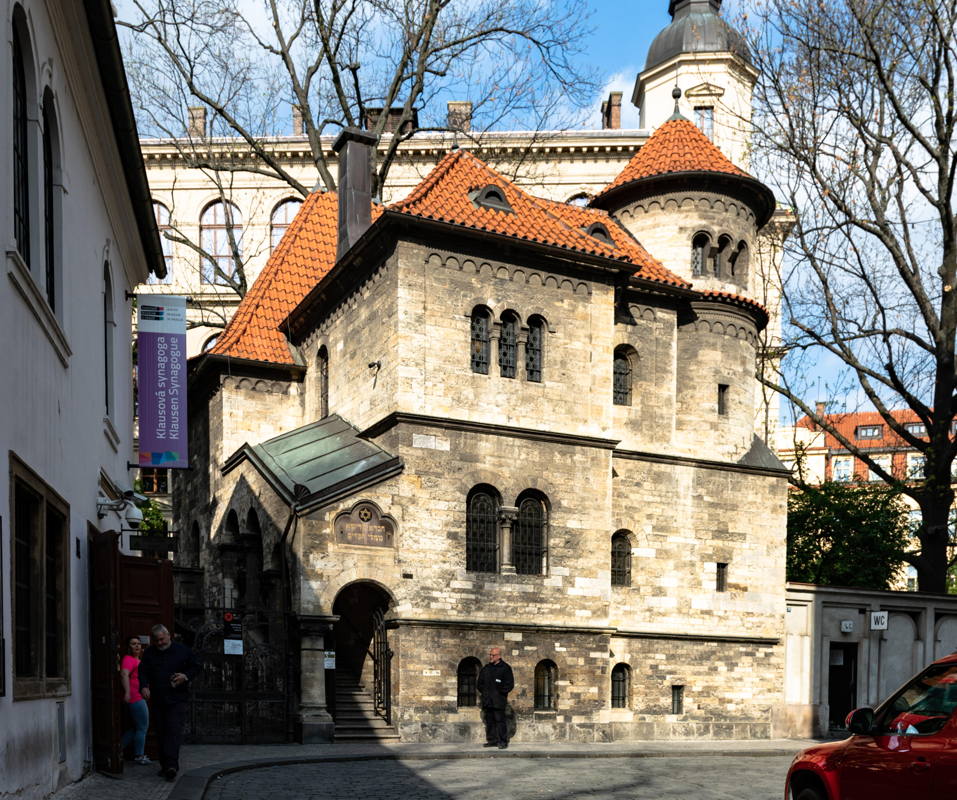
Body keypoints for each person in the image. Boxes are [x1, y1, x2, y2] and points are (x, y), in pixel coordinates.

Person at [139, 624, 199, 782]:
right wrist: (144, 686)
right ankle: (165, 765)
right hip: (158, 698)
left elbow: (196, 666)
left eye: (162, 639)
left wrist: (185, 676)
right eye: (156, 640)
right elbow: (142, 671)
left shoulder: (183, 650)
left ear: (168, 636)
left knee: (173, 730)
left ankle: (172, 766)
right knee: (161, 732)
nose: (160, 643)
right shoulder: (149, 653)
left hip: (177, 698)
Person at [119, 636, 151, 765]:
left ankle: (118, 749)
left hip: (140, 696)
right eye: (133, 644)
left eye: (138, 643)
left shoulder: (140, 660)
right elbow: (124, 674)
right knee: (142, 727)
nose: (137, 646)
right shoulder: (128, 659)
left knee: (135, 728)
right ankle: (139, 755)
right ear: (129, 647)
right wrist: (127, 692)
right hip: (135, 696)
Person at [477, 646, 514, 749]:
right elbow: (479, 684)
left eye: (493, 655)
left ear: (498, 656)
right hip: (488, 701)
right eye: (490, 655)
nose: (491, 657)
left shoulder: (505, 668)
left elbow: (509, 684)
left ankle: (503, 741)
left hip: (499, 701)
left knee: (500, 721)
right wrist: (485, 693)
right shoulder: (486, 668)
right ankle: (492, 740)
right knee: (489, 721)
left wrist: (500, 692)